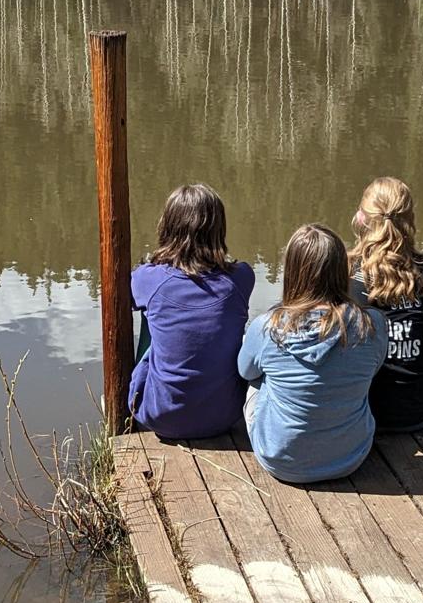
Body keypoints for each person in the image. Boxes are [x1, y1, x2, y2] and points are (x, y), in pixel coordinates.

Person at [237, 224, 387, 483]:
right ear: (343, 271)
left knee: (257, 379)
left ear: (292, 272)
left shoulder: (268, 327)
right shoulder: (370, 324)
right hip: (350, 457)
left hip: (279, 460)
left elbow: (244, 371)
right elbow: (374, 368)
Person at [130, 184, 254, 440]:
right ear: (218, 230)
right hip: (226, 416)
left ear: (167, 227)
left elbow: (129, 297)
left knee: (152, 318)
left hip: (160, 415)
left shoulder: (149, 280)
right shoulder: (242, 278)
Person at [348, 177, 423, 432]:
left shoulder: (346, 273)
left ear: (361, 219)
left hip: (364, 410)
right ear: (410, 220)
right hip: (420, 413)